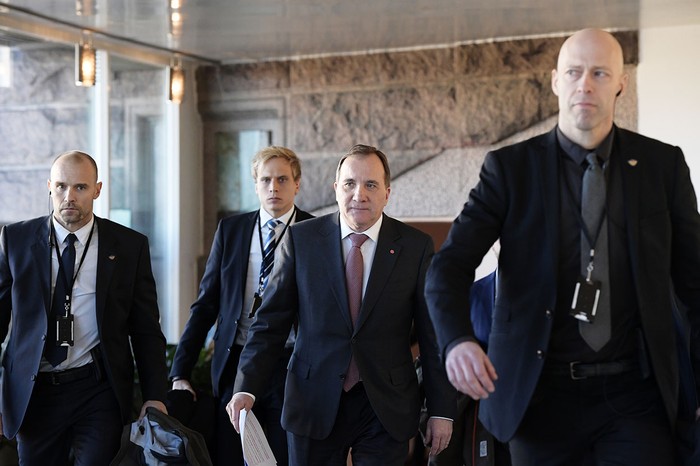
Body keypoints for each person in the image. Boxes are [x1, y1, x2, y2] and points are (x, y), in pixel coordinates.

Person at [425, 28, 700, 466]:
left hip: (635, 397)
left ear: (620, 83)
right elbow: (450, 265)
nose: (584, 84)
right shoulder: (510, 169)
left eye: (599, 73)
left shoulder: (662, 166)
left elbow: (693, 283)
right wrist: (456, 340)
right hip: (540, 398)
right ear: (555, 81)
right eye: (573, 72)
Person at [226, 144, 455, 466]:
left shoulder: (415, 247)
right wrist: (246, 388)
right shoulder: (301, 240)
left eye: (371, 185)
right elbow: (269, 323)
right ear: (336, 189)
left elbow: (433, 337)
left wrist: (442, 410)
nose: (359, 194)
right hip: (312, 400)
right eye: (349, 183)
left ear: (387, 193)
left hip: (386, 406)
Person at [0, 150, 169, 465]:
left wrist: (155, 396)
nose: (69, 196)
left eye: (80, 187)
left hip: (97, 389)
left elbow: (146, 328)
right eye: (62, 186)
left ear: (97, 190)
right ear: (49, 186)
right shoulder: (16, 240)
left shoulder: (129, 246)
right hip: (35, 391)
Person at [169, 146, 313, 465]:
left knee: (279, 454)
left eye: (282, 179)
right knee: (233, 455)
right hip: (236, 361)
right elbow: (206, 303)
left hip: (289, 363)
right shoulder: (231, 230)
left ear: (297, 184)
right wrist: (180, 369)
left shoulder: (315, 232)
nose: (273, 187)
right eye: (265, 180)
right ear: (255, 184)